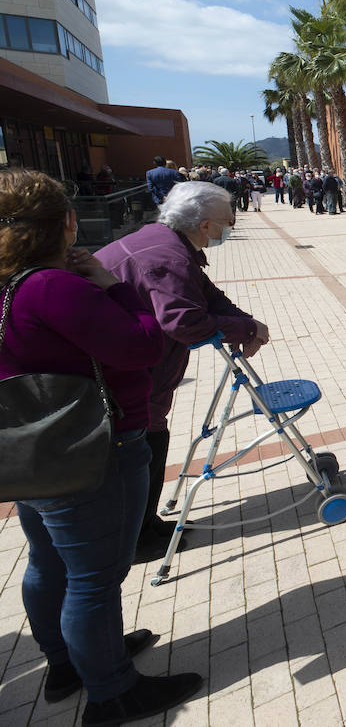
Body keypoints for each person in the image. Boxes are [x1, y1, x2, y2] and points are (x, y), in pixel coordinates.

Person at [0, 169, 205, 723]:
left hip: (30, 448)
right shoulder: (51, 286)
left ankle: (67, 664)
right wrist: (112, 286)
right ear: (66, 222)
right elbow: (142, 343)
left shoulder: (10, 285)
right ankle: (112, 690)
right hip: (92, 448)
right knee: (93, 578)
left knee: (47, 562)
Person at [96, 182, 269, 563]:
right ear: (205, 225)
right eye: (228, 221)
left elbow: (207, 296)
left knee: (152, 443)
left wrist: (248, 323)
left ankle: (146, 522)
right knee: (139, 451)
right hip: (124, 380)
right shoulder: (167, 257)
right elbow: (185, 321)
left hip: (141, 376)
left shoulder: (169, 244)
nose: (232, 226)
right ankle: (135, 539)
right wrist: (247, 330)